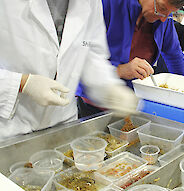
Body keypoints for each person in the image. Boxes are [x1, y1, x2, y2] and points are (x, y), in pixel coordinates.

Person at [0, 0, 138, 141]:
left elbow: (90, 53)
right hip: (11, 127)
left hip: (64, 123)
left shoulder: (89, 2)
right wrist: (23, 83)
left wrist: (109, 87)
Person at [100, 0, 184, 88]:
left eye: (170, 13)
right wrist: (119, 70)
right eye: (161, 7)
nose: (163, 19)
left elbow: (174, 55)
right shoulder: (106, 4)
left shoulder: (164, 17)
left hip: (136, 93)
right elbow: (87, 61)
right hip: (99, 91)